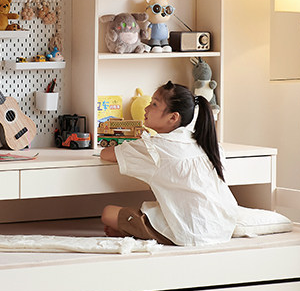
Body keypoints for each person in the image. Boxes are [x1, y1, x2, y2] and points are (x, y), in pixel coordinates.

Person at [100, 80, 240, 246]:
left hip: (187, 233)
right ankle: (131, 230)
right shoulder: (207, 144)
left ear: (173, 117)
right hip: (222, 228)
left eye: (154, 104)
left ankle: (133, 231)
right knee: (159, 208)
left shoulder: (154, 147)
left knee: (108, 213)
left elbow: (105, 154)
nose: (146, 108)